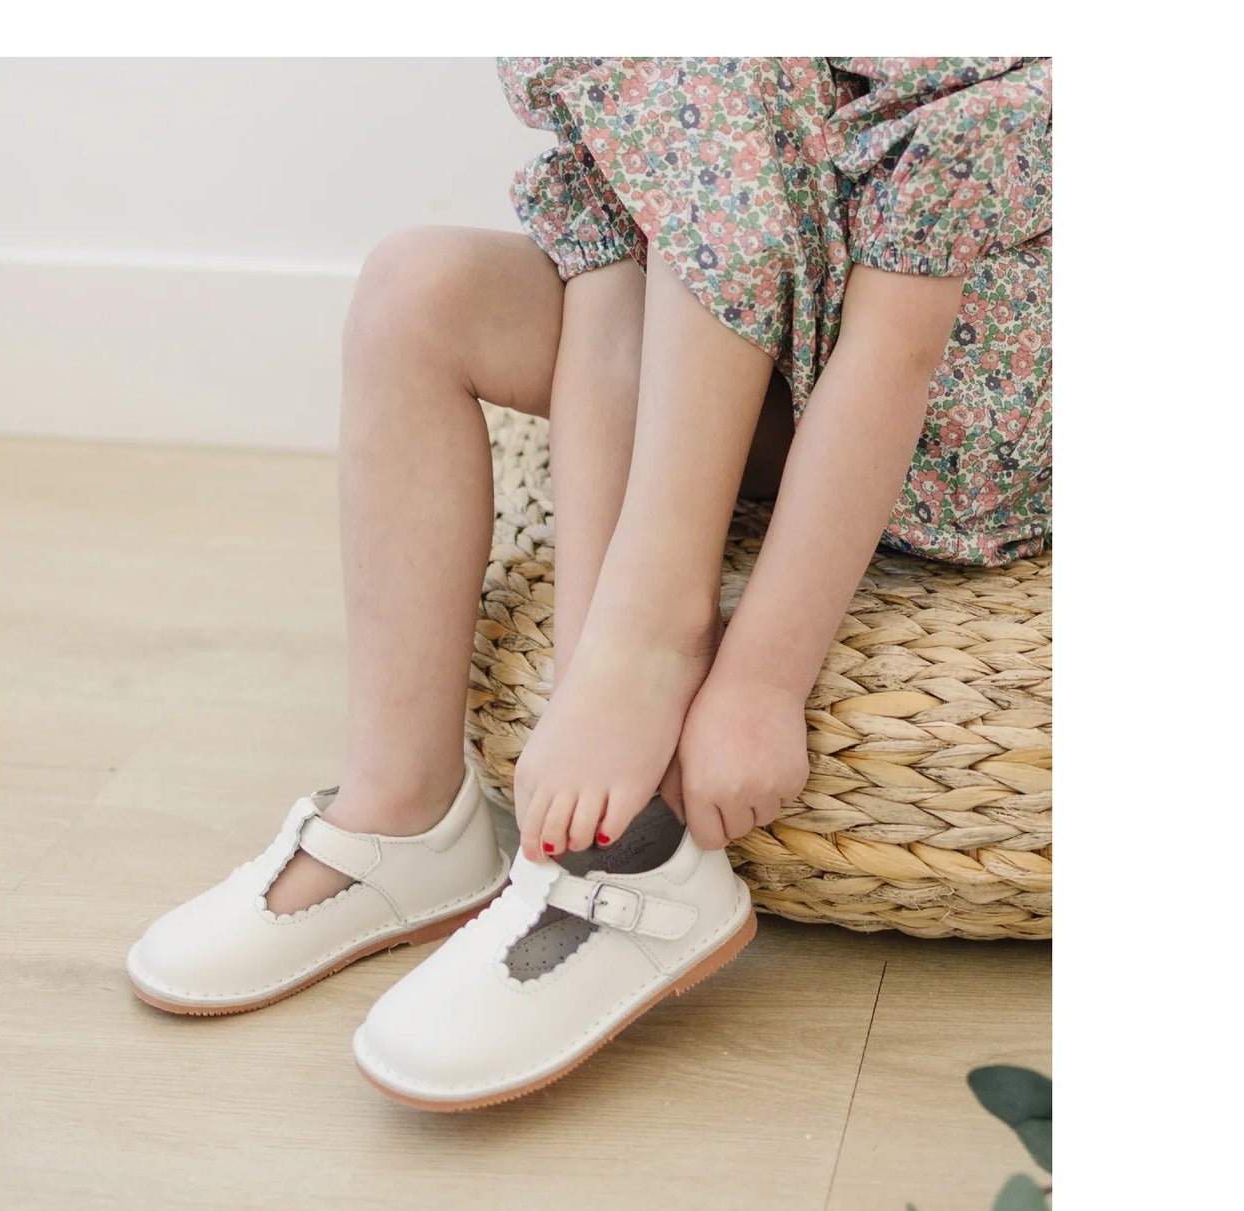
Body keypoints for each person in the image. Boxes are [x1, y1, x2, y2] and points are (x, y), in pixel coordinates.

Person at [127, 57, 1052, 1110]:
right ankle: (403, 814)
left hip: (969, 403)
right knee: (414, 290)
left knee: (722, 91)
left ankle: (631, 851)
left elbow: (895, 348)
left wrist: (756, 679)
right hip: (760, 323)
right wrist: (592, 669)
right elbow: (615, 271)